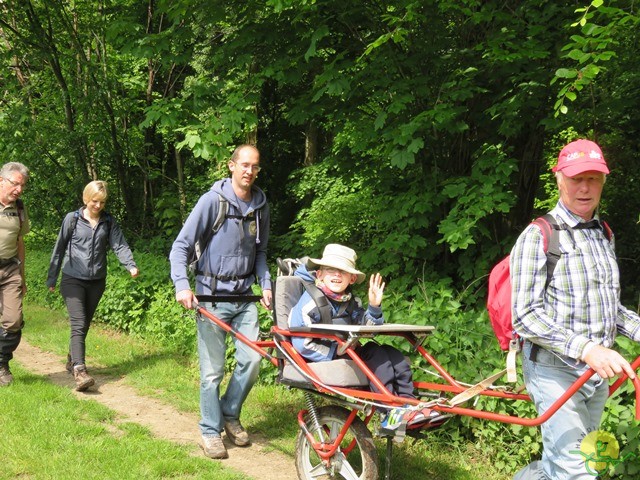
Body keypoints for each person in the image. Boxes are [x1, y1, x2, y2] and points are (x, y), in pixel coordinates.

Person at [510, 139, 640, 480]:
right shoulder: (537, 236)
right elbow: (524, 316)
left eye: (593, 178)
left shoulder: (604, 233)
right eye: (576, 178)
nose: (585, 187)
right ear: (559, 180)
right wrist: (586, 349)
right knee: (576, 472)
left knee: (582, 459)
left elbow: (611, 308)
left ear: (603, 181)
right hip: (554, 370)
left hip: (595, 376)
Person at [169, 144, 272, 460]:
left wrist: (266, 285)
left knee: (253, 361)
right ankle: (210, 431)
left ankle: (229, 411)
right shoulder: (212, 202)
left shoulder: (260, 206)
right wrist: (183, 287)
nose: (249, 171)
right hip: (211, 298)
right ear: (231, 166)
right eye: (244, 165)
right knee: (212, 371)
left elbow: (261, 254)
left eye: (254, 166)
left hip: (245, 299)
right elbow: (180, 247)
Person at [289, 243, 447, 430]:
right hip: (321, 356)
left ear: (352, 279)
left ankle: (409, 406)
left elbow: (367, 327)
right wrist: (335, 351)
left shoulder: (351, 301)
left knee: (393, 355)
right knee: (376, 356)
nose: (337, 275)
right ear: (319, 274)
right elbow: (301, 343)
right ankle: (388, 411)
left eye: (343, 271)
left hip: (347, 349)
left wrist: (373, 306)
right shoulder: (309, 303)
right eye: (331, 269)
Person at [46, 180, 139, 392]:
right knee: (78, 322)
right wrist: (52, 277)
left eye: (102, 202)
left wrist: (130, 265)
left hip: (97, 281)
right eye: (94, 201)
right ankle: (80, 371)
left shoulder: (108, 221)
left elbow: (119, 244)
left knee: (85, 322)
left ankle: (72, 359)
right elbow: (59, 248)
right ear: (86, 198)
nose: (98, 206)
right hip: (72, 278)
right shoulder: (72, 219)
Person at [0, 162, 30, 387]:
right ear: (2, 180)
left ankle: (2, 362)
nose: (19, 189)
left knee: (13, 320)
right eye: (16, 184)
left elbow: (20, 241)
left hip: (9, 268)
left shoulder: (19, 208)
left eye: (22, 185)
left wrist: (22, 275)